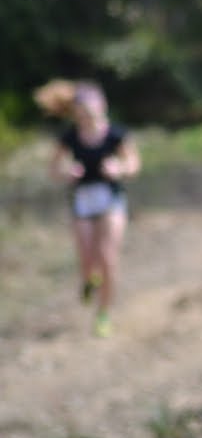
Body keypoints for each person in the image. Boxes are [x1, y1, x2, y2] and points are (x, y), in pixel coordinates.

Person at [35, 79, 141, 337]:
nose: (88, 116)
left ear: (102, 106)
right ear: (77, 113)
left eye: (92, 111)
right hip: (82, 201)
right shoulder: (70, 137)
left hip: (110, 200)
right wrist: (66, 172)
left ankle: (103, 314)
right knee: (87, 258)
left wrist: (119, 168)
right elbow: (53, 169)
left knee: (107, 257)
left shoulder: (116, 134)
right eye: (83, 112)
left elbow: (133, 164)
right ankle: (89, 279)